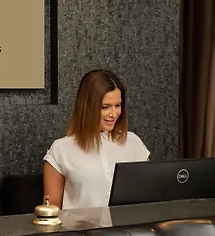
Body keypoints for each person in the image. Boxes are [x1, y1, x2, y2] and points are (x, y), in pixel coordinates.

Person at [43, 69, 150, 210]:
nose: (114, 114)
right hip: (80, 225)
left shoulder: (134, 143)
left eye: (118, 105)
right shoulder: (61, 150)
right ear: (87, 107)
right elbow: (51, 210)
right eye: (105, 107)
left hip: (129, 223)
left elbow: (149, 195)